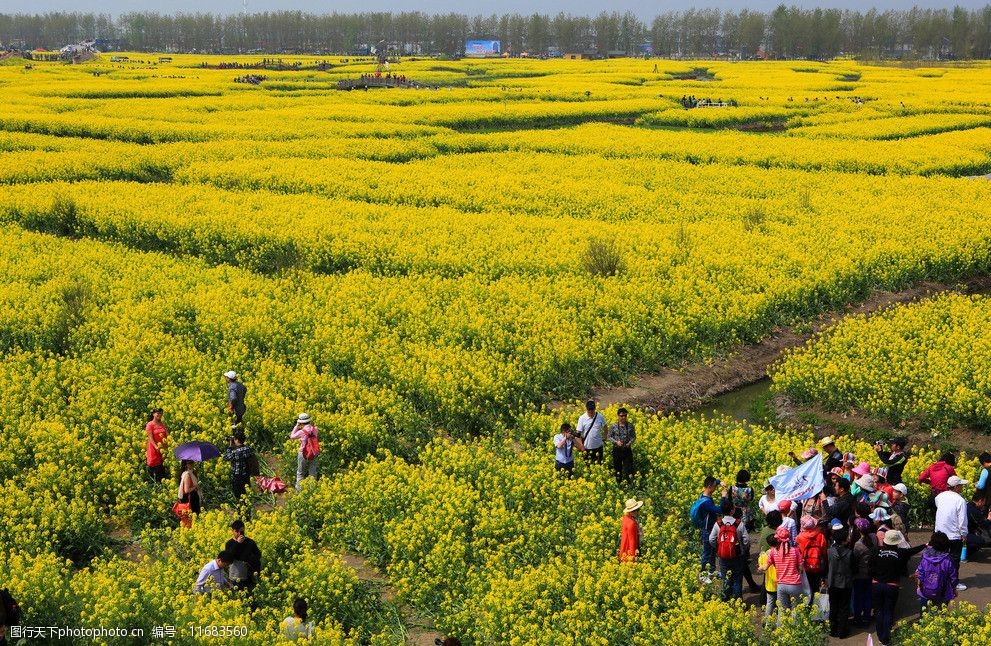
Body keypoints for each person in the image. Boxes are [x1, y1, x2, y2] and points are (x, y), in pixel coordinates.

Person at [870, 530, 926, 646]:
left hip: (876, 584)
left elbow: (870, 566)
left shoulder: (875, 551)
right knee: (888, 610)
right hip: (892, 586)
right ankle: (885, 639)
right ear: (896, 543)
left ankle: (880, 635)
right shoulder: (900, 552)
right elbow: (912, 551)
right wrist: (924, 545)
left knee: (879, 611)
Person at [761, 526, 806, 627]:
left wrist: (760, 568)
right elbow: (801, 568)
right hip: (795, 584)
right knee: (796, 609)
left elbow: (765, 567)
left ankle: (781, 635)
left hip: (781, 585)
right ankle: (794, 631)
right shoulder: (795, 551)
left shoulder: (773, 552)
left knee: (782, 611)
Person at [710, 500, 749, 600]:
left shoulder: (718, 524)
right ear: (733, 510)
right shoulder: (739, 524)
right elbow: (746, 540)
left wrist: (719, 548)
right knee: (737, 579)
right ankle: (738, 601)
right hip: (737, 556)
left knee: (725, 578)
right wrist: (742, 549)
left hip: (723, 556)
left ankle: (726, 600)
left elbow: (711, 539)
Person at [934, 475, 969, 589]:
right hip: (954, 535)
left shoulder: (939, 496)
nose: (962, 487)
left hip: (939, 534)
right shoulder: (960, 500)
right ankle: (953, 582)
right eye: (961, 485)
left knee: (939, 557)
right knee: (954, 559)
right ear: (956, 487)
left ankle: (938, 580)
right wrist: (964, 534)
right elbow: (962, 519)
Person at [915, 531, 957, 616]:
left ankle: (922, 625)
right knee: (940, 613)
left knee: (924, 612)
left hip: (925, 590)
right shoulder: (948, 560)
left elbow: (920, 572)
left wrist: (920, 585)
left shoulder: (925, 556)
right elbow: (953, 577)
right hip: (942, 591)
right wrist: (953, 588)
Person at [827, 526, 854, 638]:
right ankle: (842, 631)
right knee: (844, 607)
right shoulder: (849, 553)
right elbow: (854, 568)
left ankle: (832, 630)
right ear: (844, 540)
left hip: (832, 583)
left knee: (833, 606)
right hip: (846, 583)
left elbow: (826, 567)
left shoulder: (829, 551)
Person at [697, 476, 728, 572]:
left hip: (710, 528)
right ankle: (702, 573)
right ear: (710, 486)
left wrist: (720, 482)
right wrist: (723, 497)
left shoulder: (703, 495)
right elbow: (720, 510)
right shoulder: (706, 503)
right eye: (715, 486)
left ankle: (712, 570)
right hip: (707, 530)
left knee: (712, 551)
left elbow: (713, 482)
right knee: (707, 552)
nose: (716, 488)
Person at [796, 514, 827, 603]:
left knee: (805, 587)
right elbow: (824, 552)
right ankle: (815, 606)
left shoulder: (800, 537)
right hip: (817, 565)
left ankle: (806, 606)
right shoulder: (820, 536)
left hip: (805, 566)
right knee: (815, 587)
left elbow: (799, 553)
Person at [225, 520, 262, 594]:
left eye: (242, 532)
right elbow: (228, 557)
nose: (240, 534)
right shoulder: (229, 543)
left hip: (249, 577)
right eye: (237, 531)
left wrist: (249, 561)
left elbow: (258, 555)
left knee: (249, 596)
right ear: (233, 531)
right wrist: (237, 543)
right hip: (234, 577)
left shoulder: (250, 542)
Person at [851, 517, 876, 626]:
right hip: (870, 574)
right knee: (868, 596)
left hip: (859, 575)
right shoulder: (873, 538)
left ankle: (857, 618)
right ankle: (866, 617)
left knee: (858, 597)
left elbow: (854, 560)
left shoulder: (858, 545)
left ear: (858, 530)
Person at [290, 413, 320, 490]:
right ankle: (312, 490)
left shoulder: (302, 432)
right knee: (313, 473)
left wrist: (296, 426)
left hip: (303, 453)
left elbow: (292, 436)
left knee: (300, 473)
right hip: (314, 452)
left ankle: (299, 491)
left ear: (300, 422)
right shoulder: (315, 429)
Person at [223, 429, 254, 501]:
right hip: (246, 476)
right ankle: (248, 510)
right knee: (246, 495)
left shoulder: (235, 452)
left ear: (236, 440)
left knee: (238, 497)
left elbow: (226, 457)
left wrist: (230, 445)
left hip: (237, 477)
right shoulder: (248, 449)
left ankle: (241, 511)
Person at [607, 408, 635, 483]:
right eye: (622, 416)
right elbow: (609, 436)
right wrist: (616, 442)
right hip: (617, 450)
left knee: (629, 468)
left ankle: (629, 484)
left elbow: (633, 437)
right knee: (617, 468)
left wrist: (629, 443)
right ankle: (618, 483)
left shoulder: (630, 425)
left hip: (627, 450)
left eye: (625, 415)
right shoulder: (613, 426)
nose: (624, 417)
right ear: (618, 416)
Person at [576, 400, 605, 464]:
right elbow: (578, 434)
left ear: (595, 408)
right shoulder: (582, 418)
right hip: (586, 448)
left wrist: (605, 437)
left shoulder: (600, 416)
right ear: (586, 409)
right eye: (589, 409)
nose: (591, 411)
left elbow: (605, 427)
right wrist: (581, 446)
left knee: (599, 465)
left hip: (598, 447)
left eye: (592, 409)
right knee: (588, 467)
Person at [758, 535, 779, 622]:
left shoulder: (764, 556)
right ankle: (780, 621)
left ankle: (767, 622)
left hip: (769, 584)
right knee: (780, 604)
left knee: (769, 603)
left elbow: (762, 569)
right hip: (780, 584)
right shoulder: (780, 554)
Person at [145, 408, 169, 483]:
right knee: (155, 465)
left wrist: (171, 443)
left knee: (162, 466)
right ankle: (155, 483)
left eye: (161, 413)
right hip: (154, 448)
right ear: (153, 414)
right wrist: (155, 446)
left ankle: (163, 482)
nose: (159, 415)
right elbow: (150, 437)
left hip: (163, 448)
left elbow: (167, 434)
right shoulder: (150, 424)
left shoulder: (162, 424)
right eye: (158, 413)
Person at [966, 490, 991, 559]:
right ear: (980, 501)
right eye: (984, 502)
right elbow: (984, 525)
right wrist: (989, 518)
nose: (984, 504)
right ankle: (965, 552)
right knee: (981, 541)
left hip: (966, 530)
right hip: (964, 534)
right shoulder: (974, 510)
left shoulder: (968, 505)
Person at [619, 498, 643, 562]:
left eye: (638, 509)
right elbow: (632, 541)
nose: (637, 512)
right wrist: (633, 557)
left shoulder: (626, 518)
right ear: (630, 511)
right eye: (635, 510)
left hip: (624, 551)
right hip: (629, 553)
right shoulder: (631, 523)